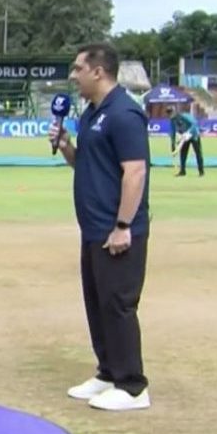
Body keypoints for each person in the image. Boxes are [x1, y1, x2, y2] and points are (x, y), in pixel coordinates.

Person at [47, 43, 152, 411]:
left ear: (98, 71)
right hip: (93, 228)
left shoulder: (124, 113)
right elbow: (87, 164)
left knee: (118, 304)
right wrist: (65, 146)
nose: (73, 76)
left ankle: (133, 385)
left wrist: (123, 225)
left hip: (118, 229)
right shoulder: (91, 113)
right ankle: (108, 372)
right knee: (97, 303)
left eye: (78, 69)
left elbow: (134, 171)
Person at [168, 106, 204, 176]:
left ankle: (201, 171)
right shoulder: (172, 120)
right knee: (183, 154)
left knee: (198, 153)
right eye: (168, 113)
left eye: (171, 112)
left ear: (174, 111)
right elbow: (172, 132)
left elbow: (194, 124)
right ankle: (182, 171)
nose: (170, 115)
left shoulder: (183, 116)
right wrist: (172, 144)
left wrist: (188, 132)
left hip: (193, 135)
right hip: (184, 136)